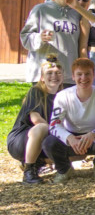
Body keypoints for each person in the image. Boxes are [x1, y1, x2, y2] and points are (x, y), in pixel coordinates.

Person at [42, 58, 95, 183]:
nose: (83, 78)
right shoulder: (63, 96)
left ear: (94, 75)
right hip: (72, 139)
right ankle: (64, 169)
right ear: (73, 76)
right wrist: (69, 138)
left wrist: (93, 134)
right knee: (49, 143)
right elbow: (54, 125)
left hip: (94, 138)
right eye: (79, 74)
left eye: (87, 74)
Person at [7, 55, 64, 183]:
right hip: (21, 140)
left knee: (76, 150)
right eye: (49, 73)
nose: (54, 76)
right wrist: (60, 133)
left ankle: (37, 162)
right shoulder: (36, 92)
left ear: (62, 76)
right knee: (42, 127)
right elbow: (36, 120)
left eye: (58, 73)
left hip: (46, 137)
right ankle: (29, 171)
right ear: (42, 78)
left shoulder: (64, 96)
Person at [20, 0, 83, 82]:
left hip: (67, 75)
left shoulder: (77, 14)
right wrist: (40, 38)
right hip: (44, 73)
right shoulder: (41, 9)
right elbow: (25, 37)